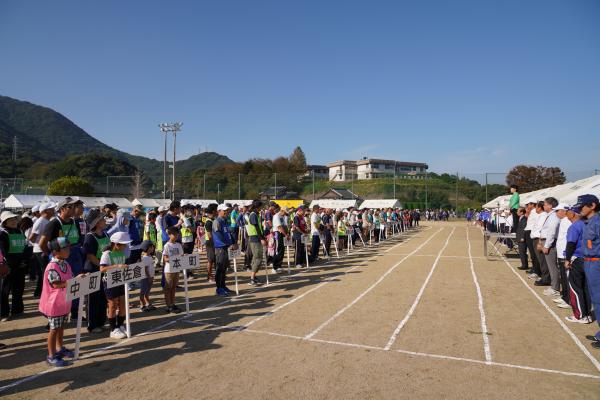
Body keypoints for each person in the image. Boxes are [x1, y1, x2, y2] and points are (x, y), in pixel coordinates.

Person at [38, 237, 75, 367]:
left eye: (68, 248)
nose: (68, 250)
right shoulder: (52, 266)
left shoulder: (66, 264)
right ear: (55, 252)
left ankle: (60, 348)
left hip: (64, 303)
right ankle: (51, 355)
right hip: (53, 304)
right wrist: (75, 281)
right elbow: (56, 284)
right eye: (65, 248)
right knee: (53, 329)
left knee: (61, 327)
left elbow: (70, 278)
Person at [576, 194, 600, 348]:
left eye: (582, 206)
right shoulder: (587, 222)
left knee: (599, 299)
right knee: (595, 299)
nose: (580, 209)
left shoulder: (597, 222)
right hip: (588, 262)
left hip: (597, 263)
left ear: (592, 205)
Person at [100, 232, 132, 339]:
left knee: (123, 303)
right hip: (109, 281)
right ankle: (113, 329)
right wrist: (117, 266)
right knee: (112, 305)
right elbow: (102, 269)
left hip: (120, 280)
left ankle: (120, 325)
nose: (125, 246)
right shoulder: (107, 254)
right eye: (124, 244)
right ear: (117, 244)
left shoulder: (122, 253)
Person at [563, 206, 592, 324]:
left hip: (577, 258)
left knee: (575, 288)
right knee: (585, 287)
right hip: (588, 259)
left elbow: (571, 243)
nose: (566, 214)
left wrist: (567, 259)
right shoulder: (587, 224)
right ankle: (587, 314)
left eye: (567, 212)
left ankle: (579, 315)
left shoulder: (575, 226)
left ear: (573, 214)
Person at [82, 209, 109, 333]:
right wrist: (102, 266)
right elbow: (90, 256)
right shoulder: (90, 237)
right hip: (93, 270)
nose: (105, 220)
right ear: (97, 222)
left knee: (103, 297)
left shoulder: (106, 234)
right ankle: (92, 325)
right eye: (102, 219)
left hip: (104, 270)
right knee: (93, 299)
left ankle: (101, 321)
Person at [0, 210, 27, 321]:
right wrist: (7, 264)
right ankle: (4, 313)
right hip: (8, 266)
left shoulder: (20, 231)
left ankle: (17, 310)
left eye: (14, 219)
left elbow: (25, 247)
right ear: (5, 222)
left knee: (19, 289)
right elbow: (2, 251)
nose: (13, 221)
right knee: (5, 290)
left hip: (20, 265)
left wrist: (25, 260)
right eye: (10, 220)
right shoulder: (3, 233)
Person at [29, 202, 55, 297]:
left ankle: (40, 292)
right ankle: (43, 293)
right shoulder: (40, 221)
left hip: (43, 249)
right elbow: (31, 237)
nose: (53, 210)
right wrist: (41, 243)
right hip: (41, 250)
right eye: (51, 209)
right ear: (45, 211)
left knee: (44, 272)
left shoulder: (47, 220)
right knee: (45, 272)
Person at [213, 204, 236, 296]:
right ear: (219, 211)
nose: (226, 212)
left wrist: (233, 242)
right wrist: (228, 244)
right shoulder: (217, 221)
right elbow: (218, 235)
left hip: (226, 247)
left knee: (224, 268)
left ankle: (223, 285)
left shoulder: (225, 221)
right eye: (224, 210)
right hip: (220, 248)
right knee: (220, 268)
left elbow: (228, 234)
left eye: (227, 210)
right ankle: (219, 288)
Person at [539, 197, 561, 296]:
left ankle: (555, 288)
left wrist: (547, 245)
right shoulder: (550, 215)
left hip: (550, 243)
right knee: (550, 266)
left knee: (552, 267)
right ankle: (554, 286)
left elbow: (551, 232)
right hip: (546, 241)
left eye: (545, 204)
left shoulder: (553, 216)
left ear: (551, 205)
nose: (543, 206)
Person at [162, 226, 183, 313]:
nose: (176, 236)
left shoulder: (178, 245)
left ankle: (173, 303)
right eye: (174, 234)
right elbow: (165, 258)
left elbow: (182, 255)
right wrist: (174, 259)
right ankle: (168, 305)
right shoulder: (167, 245)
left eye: (177, 234)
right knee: (168, 288)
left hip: (176, 269)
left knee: (174, 287)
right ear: (169, 235)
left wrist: (180, 258)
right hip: (169, 270)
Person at [139, 240, 157, 312]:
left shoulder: (150, 256)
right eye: (152, 247)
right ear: (147, 248)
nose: (153, 248)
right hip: (146, 278)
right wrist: (149, 277)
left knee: (147, 292)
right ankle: (142, 305)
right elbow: (145, 268)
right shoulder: (145, 257)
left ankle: (148, 304)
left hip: (150, 277)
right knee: (143, 292)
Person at [204, 204, 217, 283]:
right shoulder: (208, 221)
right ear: (213, 211)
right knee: (210, 260)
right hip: (210, 242)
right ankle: (209, 276)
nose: (217, 211)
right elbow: (209, 235)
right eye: (216, 210)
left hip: (214, 242)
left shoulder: (213, 219)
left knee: (214, 260)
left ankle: (214, 275)